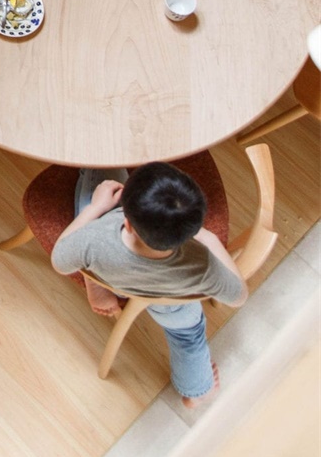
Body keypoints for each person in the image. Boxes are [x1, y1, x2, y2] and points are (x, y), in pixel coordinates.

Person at [51, 163, 247, 407]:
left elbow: (60, 260)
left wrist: (96, 207)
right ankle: (197, 391)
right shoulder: (201, 264)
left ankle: (92, 277)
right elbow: (238, 296)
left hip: (112, 270)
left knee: (100, 172)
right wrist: (210, 239)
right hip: (172, 304)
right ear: (191, 229)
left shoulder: (97, 238)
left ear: (129, 223)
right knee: (188, 337)